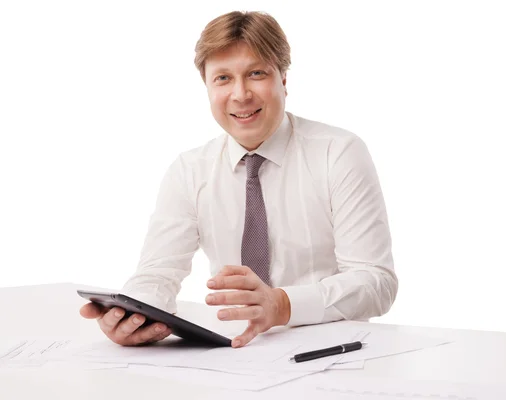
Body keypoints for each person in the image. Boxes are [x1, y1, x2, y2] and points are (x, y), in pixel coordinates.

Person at [79, 10, 398, 348]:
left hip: (330, 353)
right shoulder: (189, 170)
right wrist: (136, 314)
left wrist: (283, 304)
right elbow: (157, 272)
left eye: (256, 73)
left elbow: (377, 282)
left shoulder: (339, 153)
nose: (241, 94)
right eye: (223, 79)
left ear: (284, 79)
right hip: (233, 354)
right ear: (207, 85)